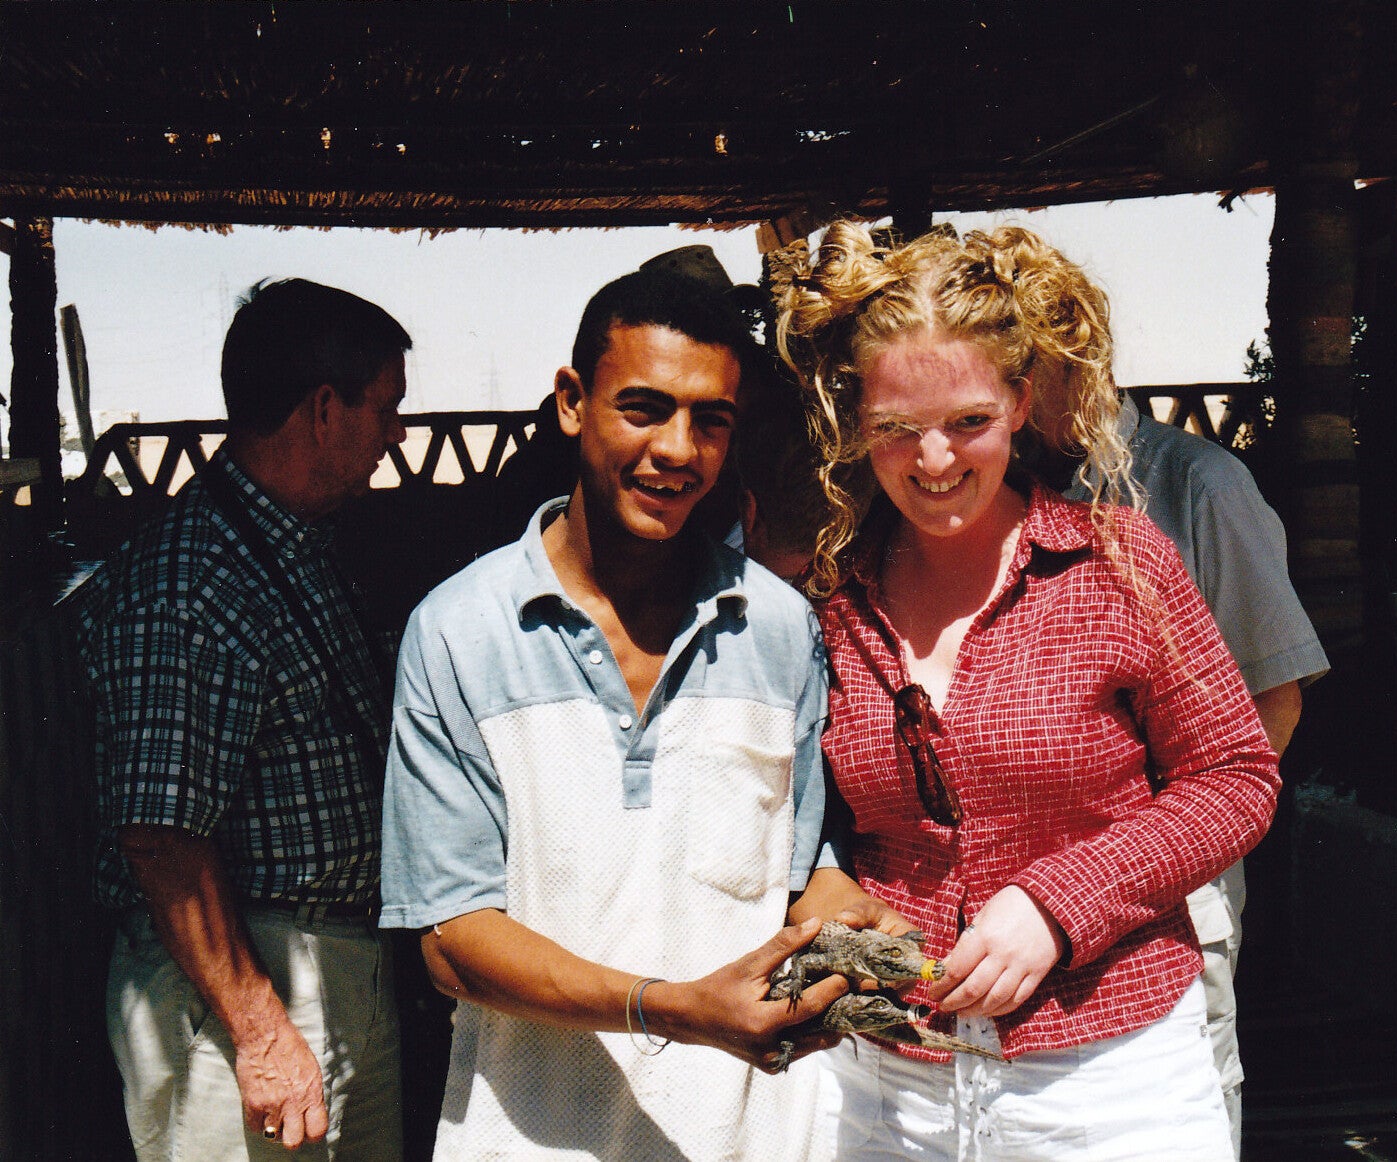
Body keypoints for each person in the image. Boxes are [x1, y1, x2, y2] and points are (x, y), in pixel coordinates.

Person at [774, 222, 1282, 1161]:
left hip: (1114, 1077)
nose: (933, 461)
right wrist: (826, 880)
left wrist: (1058, 903)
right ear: (855, 423)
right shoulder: (827, 601)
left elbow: (1234, 777)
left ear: (1018, 400)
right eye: (895, 429)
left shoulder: (1119, 565)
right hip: (886, 1089)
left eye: (967, 421)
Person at [378, 267, 889, 1160]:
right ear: (572, 403)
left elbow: (803, 869)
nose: (678, 449)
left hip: (750, 1135)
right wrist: (671, 1009)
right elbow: (452, 939)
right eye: (644, 409)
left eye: (710, 420)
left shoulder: (777, 626)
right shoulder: (460, 631)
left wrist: (855, 919)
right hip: (533, 1138)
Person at [75, 278, 412, 1159]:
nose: (399, 435)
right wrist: (262, 1034)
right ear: (325, 409)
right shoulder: (192, 583)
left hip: (327, 971)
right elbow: (160, 837)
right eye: (387, 409)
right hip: (247, 994)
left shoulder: (292, 547)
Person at [1028, 354, 1329, 1156]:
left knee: (1181, 1112)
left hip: (1174, 898)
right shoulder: (1004, 488)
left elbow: (1273, 700)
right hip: (1030, 904)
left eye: (1020, 365)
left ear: (1078, 355)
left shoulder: (1197, 484)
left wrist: (1166, 858)